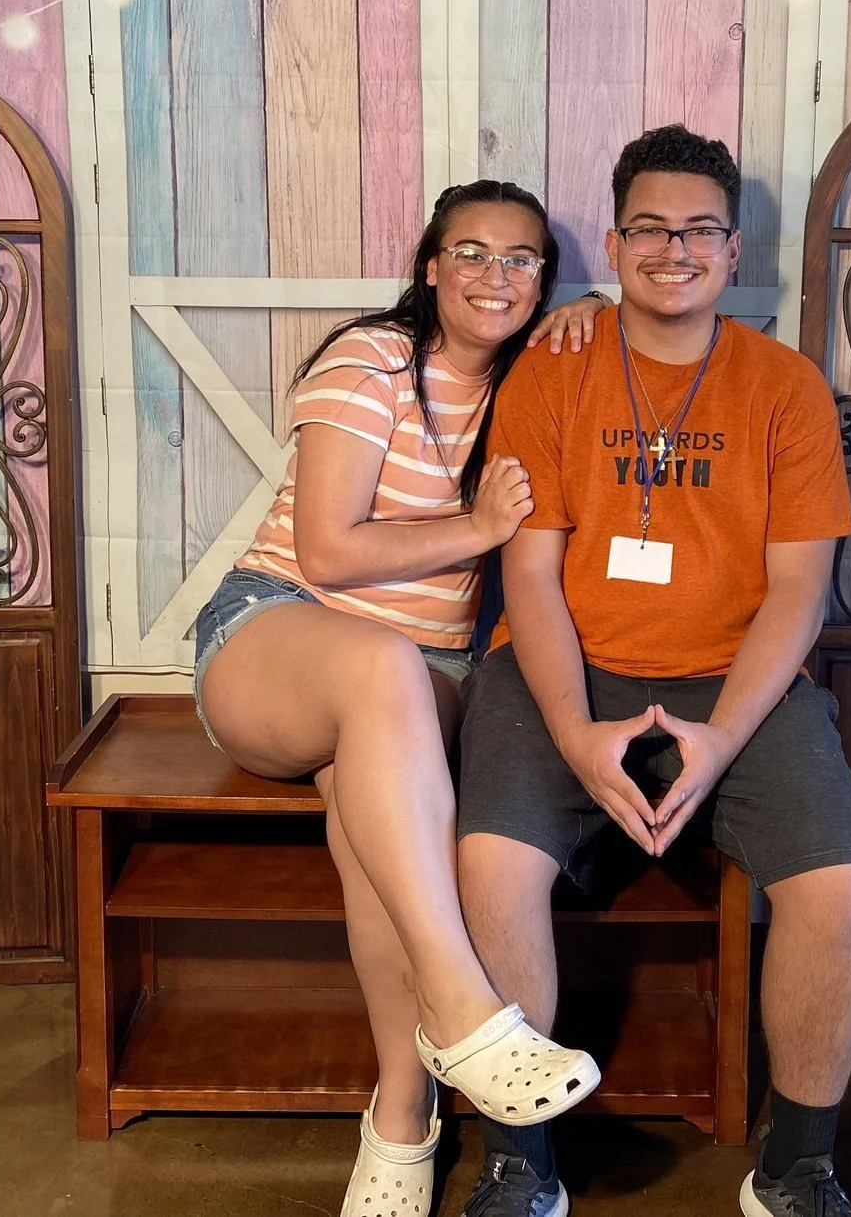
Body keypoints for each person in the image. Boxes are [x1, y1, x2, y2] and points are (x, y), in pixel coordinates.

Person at [453, 126, 851, 1217]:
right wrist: (571, 732)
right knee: (494, 873)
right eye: (649, 227)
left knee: (838, 889)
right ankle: (518, 1160)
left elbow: (798, 593)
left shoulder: (784, 390)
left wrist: (720, 739)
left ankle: (798, 1166)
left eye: (699, 229)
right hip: (565, 668)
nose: (673, 248)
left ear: (733, 252)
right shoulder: (552, 374)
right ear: (614, 241)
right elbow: (531, 577)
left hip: (737, 682)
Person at [193, 181, 612, 1217]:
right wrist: (473, 530)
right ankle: (465, 1014)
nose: (494, 277)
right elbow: (329, 553)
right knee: (380, 667)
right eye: (470, 253)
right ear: (430, 265)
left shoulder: (533, 378)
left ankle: (401, 1121)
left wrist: (595, 316)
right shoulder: (371, 359)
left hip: (425, 686)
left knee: (369, 820)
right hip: (278, 635)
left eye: (522, 261)